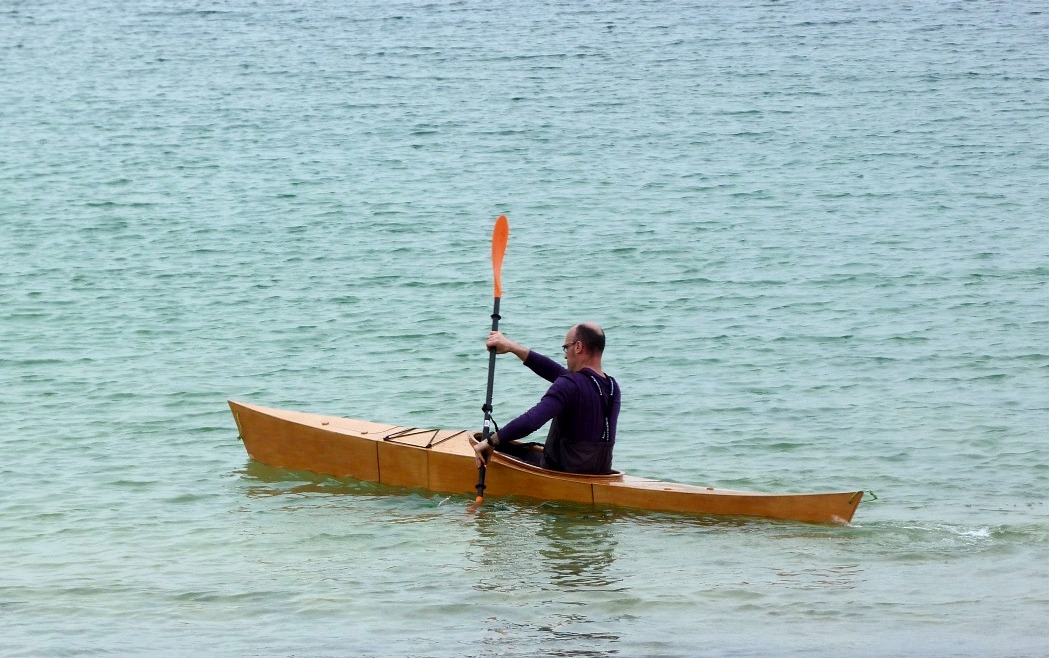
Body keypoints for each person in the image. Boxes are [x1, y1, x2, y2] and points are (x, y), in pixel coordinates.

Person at [473, 322, 621, 475]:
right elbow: (553, 371)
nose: (565, 354)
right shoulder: (612, 387)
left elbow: (531, 422)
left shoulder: (570, 384)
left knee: (493, 444)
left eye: (566, 347)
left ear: (578, 347)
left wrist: (491, 441)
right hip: (600, 472)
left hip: (564, 473)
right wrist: (511, 347)